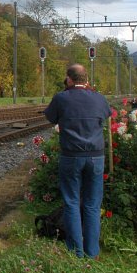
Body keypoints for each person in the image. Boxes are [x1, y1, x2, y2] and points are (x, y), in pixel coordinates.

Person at [43, 63, 111, 259]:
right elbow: (106, 115)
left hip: (71, 156)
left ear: (69, 79)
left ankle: (76, 252)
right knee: (92, 204)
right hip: (96, 156)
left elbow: (51, 117)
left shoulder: (61, 98)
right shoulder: (99, 98)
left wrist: (67, 91)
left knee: (72, 202)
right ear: (86, 79)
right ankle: (92, 252)